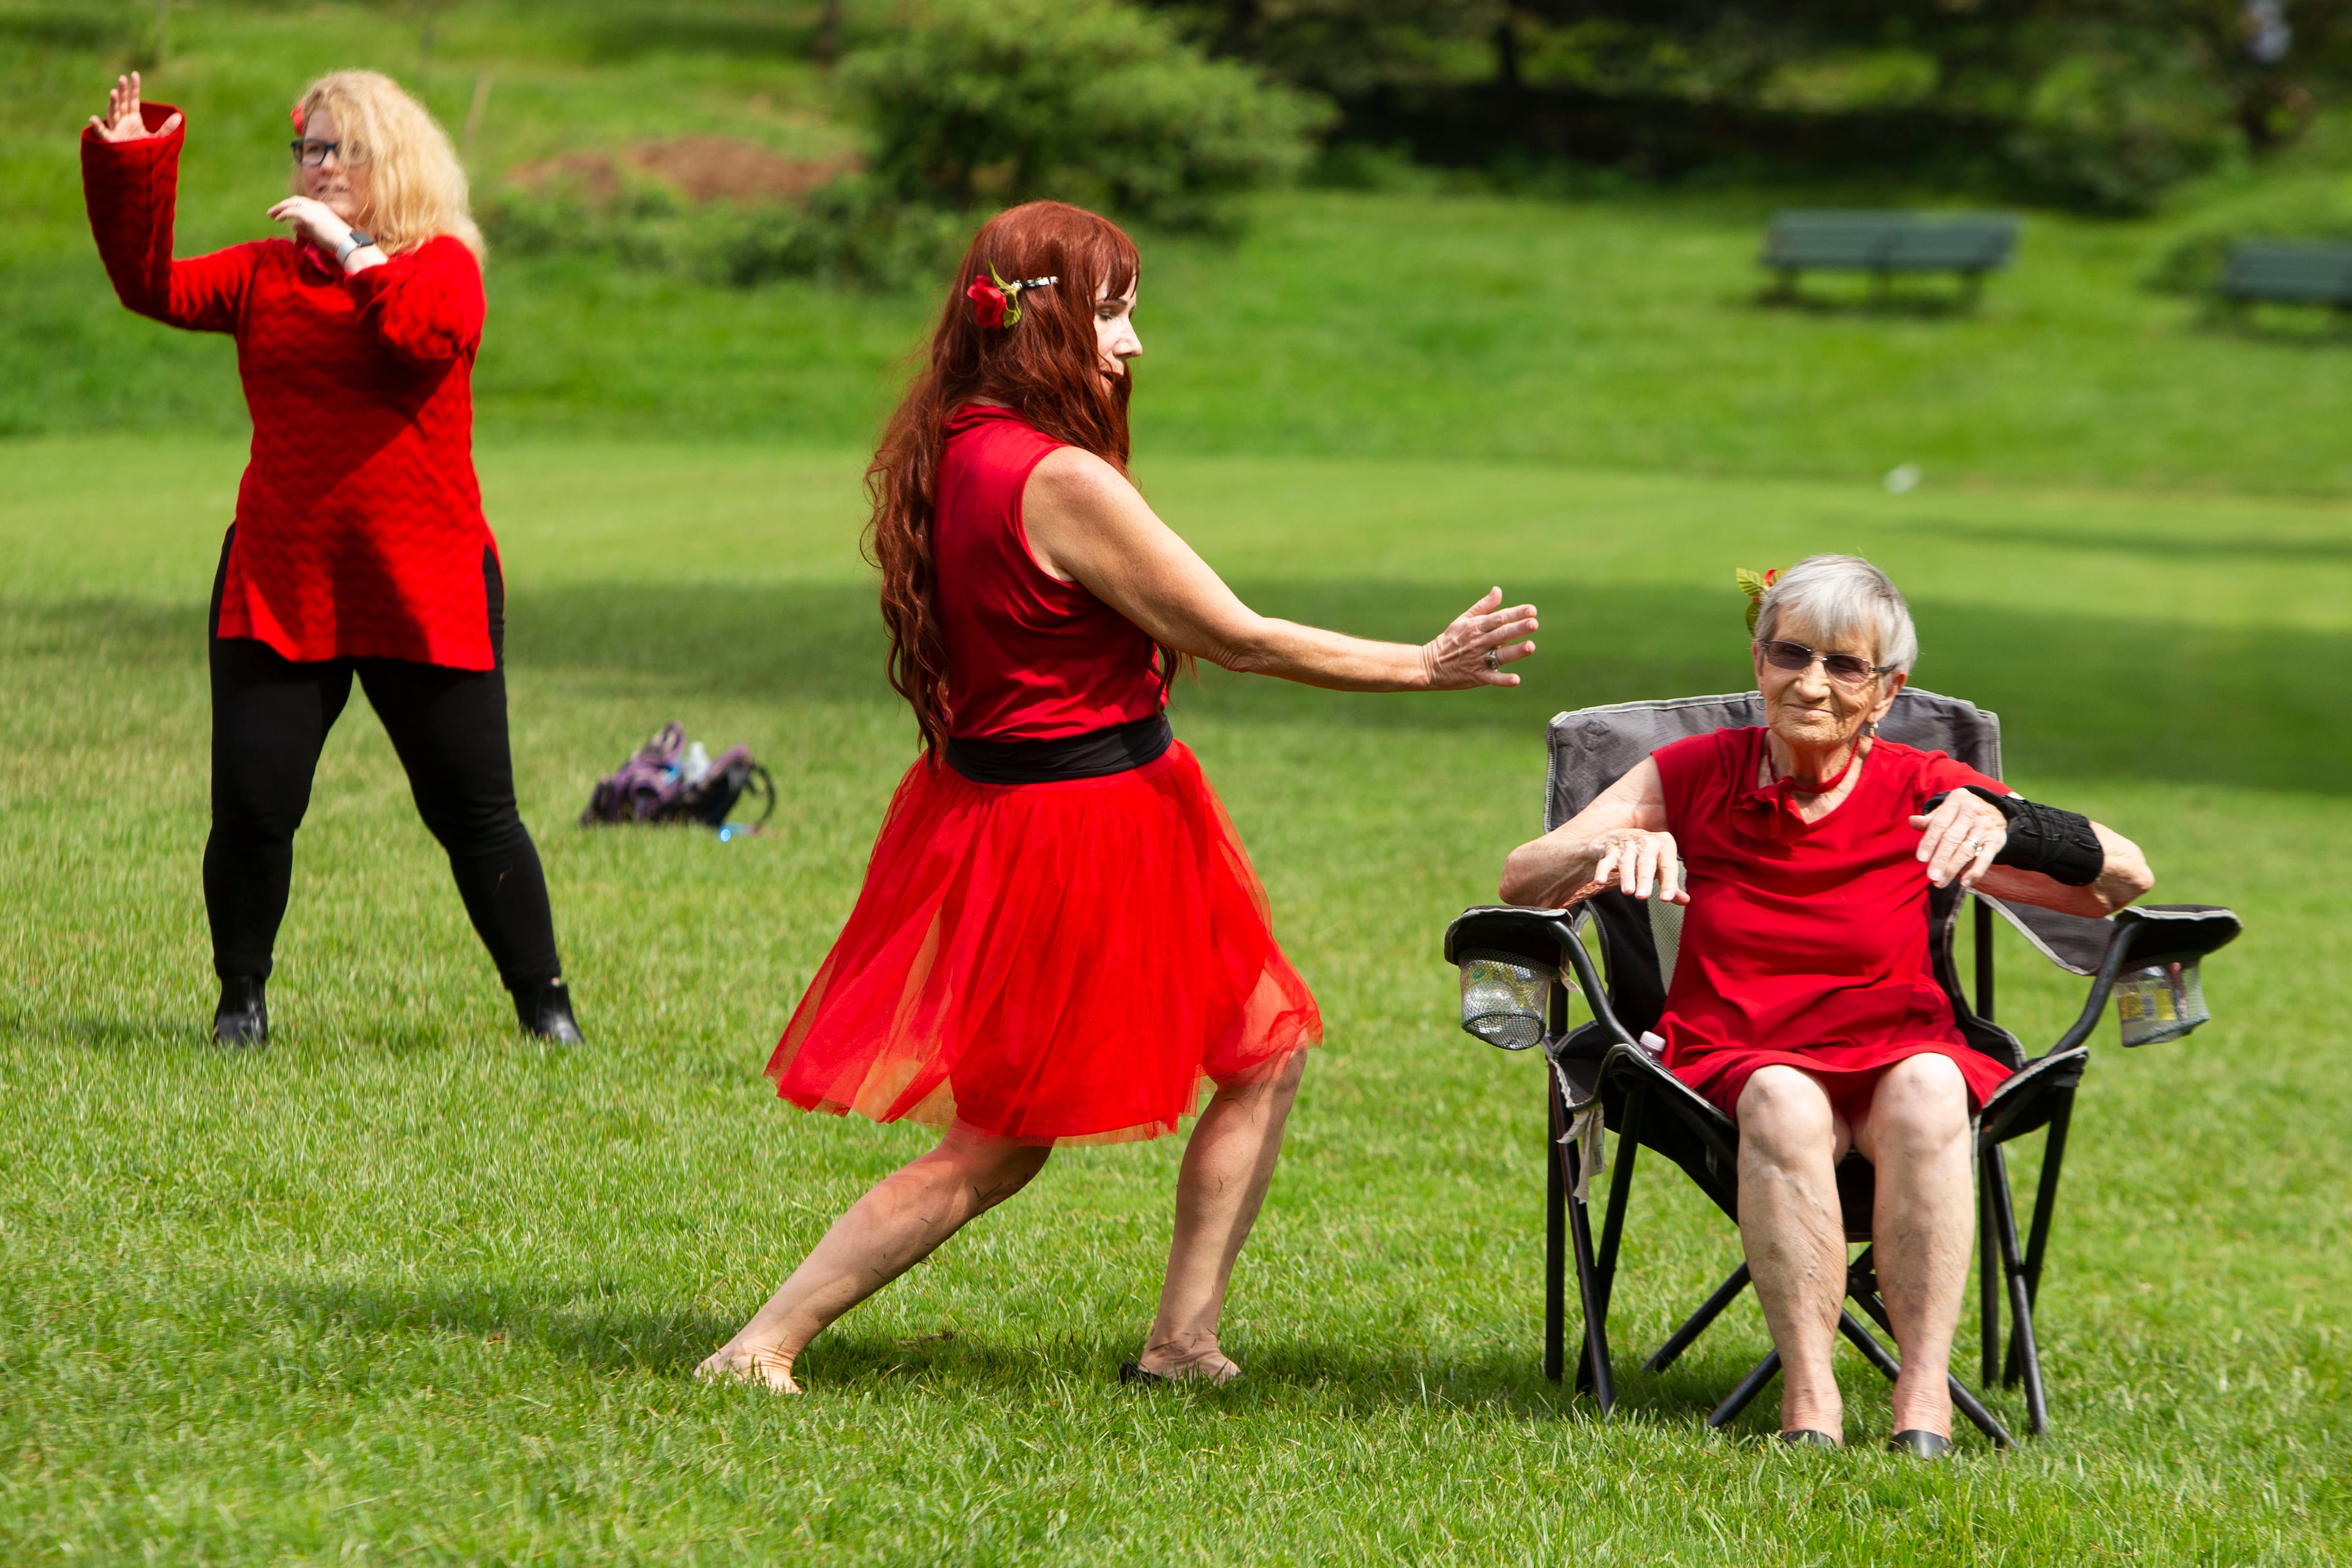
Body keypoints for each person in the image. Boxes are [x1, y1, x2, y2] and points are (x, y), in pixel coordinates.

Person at [697, 201, 1540, 1393]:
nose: (1133, 342)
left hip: (1057, 805)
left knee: (1265, 1048)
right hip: (1076, 824)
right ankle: (762, 1340)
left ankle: (1182, 1340)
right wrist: (1423, 662)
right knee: (997, 1145)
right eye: (1111, 312)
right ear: (1037, 323)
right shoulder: (1055, 478)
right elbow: (1234, 634)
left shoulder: (962, 437)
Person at [1498, 554, 2153, 1455]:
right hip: (1736, 1057)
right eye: (1789, 654)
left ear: (1886, 692)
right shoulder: (1694, 772)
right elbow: (1521, 877)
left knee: (1929, 1086)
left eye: (1843, 666)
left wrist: (2018, 825)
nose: (1809, 683)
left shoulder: (1925, 787)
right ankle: (1812, 1405)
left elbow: (2123, 880)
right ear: (1758, 661)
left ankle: (1922, 1406)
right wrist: (1612, 840)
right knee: (1781, 1097)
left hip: (1900, 1045)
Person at [81, 71, 580, 1046]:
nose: (312, 165)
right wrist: (134, 159)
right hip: (283, 578)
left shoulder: (442, 264)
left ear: (385, 162)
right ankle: (242, 1003)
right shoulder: (265, 272)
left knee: (474, 814)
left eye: (334, 149)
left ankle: (545, 1005)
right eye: (305, 149)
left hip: (422, 584)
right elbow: (152, 286)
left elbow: (419, 333)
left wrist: (350, 248)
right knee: (254, 810)